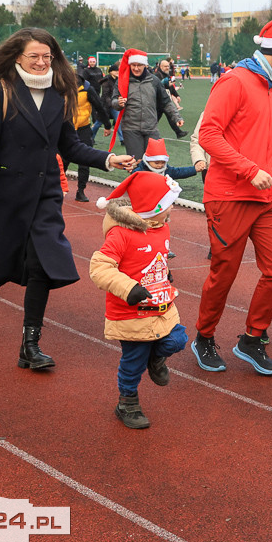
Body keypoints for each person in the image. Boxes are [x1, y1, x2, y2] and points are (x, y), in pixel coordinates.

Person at [0, 28, 136, 369]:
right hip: (8, 193)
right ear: (17, 57)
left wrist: (106, 159)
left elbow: (69, 145)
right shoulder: (2, 90)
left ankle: (30, 344)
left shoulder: (59, 94)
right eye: (35, 56)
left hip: (45, 194)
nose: (43, 62)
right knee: (2, 264)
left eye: (48, 56)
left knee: (41, 264)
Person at [192, 19, 272, 376]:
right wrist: (249, 170)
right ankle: (204, 337)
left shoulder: (270, 86)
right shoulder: (235, 80)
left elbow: (261, 146)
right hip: (230, 196)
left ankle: (252, 338)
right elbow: (208, 134)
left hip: (267, 196)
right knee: (224, 273)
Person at [89, 171, 188, 429]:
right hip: (130, 312)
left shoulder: (161, 225)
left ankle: (155, 359)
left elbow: (155, 255)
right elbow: (99, 268)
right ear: (151, 208)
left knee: (178, 339)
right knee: (133, 362)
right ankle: (127, 402)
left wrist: (163, 270)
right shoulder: (120, 234)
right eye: (166, 204)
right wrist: (129, 287)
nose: (172, 208)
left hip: (160, 304)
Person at [109, 49, 185, 160]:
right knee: (136, 164)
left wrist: (176, 117)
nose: (136, 68)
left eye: (139, 65)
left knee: (155, 162)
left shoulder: (154, 81)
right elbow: (114, 101)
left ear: (145, 65)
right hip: (131, 129)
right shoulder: (122, 80)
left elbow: (166, 102)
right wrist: (119, 103)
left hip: (151, 128)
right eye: (133, 65)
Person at [69, 73, 113, 202]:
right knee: (62, 160)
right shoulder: (61, 87)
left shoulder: (87, 89)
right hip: (66, 127)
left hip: (83, 128)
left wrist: (107, 125)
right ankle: (58, 188)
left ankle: (81, 191)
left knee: (84, 161)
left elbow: (99, 106)